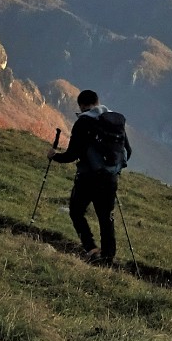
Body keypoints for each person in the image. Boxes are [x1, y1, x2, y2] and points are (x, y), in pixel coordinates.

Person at [48, 89, 131, 263]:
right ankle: (108, 257)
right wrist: (113, 169)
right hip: (110, 179)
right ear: (97, 102)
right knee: (106, 217)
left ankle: (91, 248)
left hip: (88, 178)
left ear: (82, 105)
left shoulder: (84, 122)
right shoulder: (113, 120)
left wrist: (54, 156)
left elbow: (71, 155)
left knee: (76, 212)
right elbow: (127, 151)